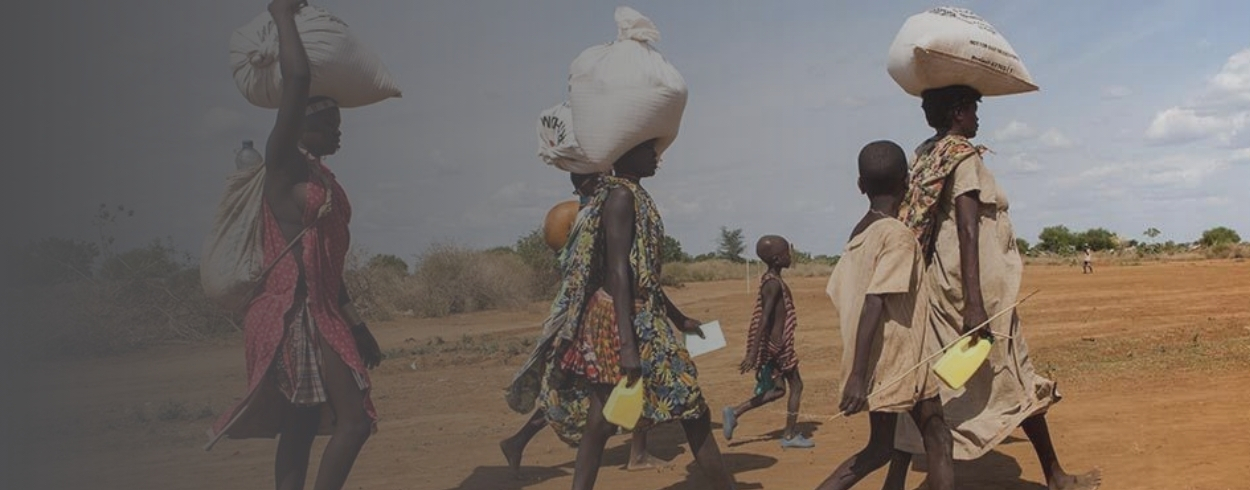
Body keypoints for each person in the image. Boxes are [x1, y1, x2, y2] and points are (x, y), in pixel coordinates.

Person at [203, 1, 384, 490]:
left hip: (321, 310)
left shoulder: (321, 177)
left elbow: (325, 261)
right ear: (299, 125)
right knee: (353, 421)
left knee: (301, 424)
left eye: (339, 127)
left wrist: (356, 323)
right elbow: (298, 80)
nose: (337, 134)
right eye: (329, 126)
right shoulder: (283, 166)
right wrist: (283, 15)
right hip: (290, 312)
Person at [887, 85, 1101, 490]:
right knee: (1010, 374)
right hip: (973, 295)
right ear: (957, 112)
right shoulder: (962, 157)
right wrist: (975, 304)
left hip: (940, 288)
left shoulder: (927, 154)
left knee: (929, 384)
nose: (977, 116)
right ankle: (1054, 475)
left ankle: (898, 482)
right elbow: (967, 229)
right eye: (972, 108)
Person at [507, 139, 736, 490]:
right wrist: (627, 345)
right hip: (625, 320)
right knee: (690, 405)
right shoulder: (620, 198)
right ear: (625, 153)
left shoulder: (631, 194)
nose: (656, 157)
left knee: (602, 420)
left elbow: (640, 273)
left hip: (634, 315)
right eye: (648, 150)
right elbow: (617, 272)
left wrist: (678, 319)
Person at [501, 171, 669, 475]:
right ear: (588, 183)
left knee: (587, 387)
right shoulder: (592, 216)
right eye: (600, 177)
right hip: (599, 313)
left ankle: (520, 441)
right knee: (609, 384)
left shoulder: (579, 216)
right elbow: (614, 269)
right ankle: (636, 454)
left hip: (589, 311)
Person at [816, 141, 954, 490]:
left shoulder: (859, 233)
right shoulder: (897, 236)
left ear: (860, 185)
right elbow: (875, 301)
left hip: (874, 357)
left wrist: (861, 369)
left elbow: (849, 297)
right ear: (907, 183)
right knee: (938, 436)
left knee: (880, 448)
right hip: (899, 359)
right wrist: (857, 376)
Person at [721, 235, 814, 449]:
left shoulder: (771, 280)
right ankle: (789, 435)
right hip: (779, 346)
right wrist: (753, 353)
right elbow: (764, 318)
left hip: (774, 345)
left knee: (779, 390)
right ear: (776, 259)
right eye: (786, 253)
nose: (790, 256)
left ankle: (735, 412)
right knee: (797, 386)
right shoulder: (772, 284)